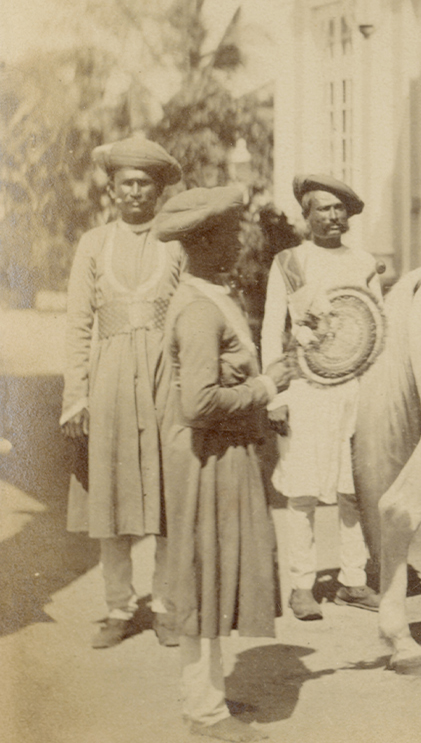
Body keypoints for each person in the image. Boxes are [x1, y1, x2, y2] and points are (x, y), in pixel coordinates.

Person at [156, 185, 291, 742]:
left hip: (223, 454)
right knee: (202, 578)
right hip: (205, 459)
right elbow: (197, 404)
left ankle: (206, 693)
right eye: (230, 234)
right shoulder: (198, 310)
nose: (240, 243)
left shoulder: (212, 296)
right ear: (202, 241)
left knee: (213, 576)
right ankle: (204, 712)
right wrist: (266, 387)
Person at [62, 135, 187, 648]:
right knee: (110, 500)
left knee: (167, 496)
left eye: (145, 184)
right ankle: (118, 607)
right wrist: (77, 395)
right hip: (110, 379)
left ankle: (165, 606)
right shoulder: (94, 244)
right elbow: (77, 323)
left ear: (159, 191)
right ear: (112, 190)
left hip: (164, 379)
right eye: (126, 183)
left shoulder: (176, 243)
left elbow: (190, 314)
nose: (135, 192)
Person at [260, 175, 381, 619]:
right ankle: (301, 586)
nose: (332, 216)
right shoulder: (290, 262)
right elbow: (271, 328)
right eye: (322, 208)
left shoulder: (363, 262)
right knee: (302, 490)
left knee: (354, 490)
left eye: (338, 208)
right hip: (306, 387)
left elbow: (377, 327)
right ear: (306, 215)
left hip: (355, 386)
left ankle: (353, 580)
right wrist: (275, 395)